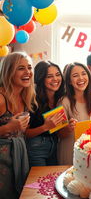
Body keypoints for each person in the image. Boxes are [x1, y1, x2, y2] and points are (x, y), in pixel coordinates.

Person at [0, 52, 37, 198]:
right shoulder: (1, 98)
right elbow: (12, 129)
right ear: (9, 72)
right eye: (21, 68)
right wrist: (8, 127)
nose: (28, 72)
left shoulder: (26, 97)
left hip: (19, 154)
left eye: (29, 67)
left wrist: (47, 126)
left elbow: (24, 132)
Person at [58, 62, 91, 165]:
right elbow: (59, 134)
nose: (81, 78)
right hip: (70, 152)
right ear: (69, 81)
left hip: (90, 151)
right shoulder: (63, 101)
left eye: (83, 74)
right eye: (75, 76)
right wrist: (68, 128)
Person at [25, 61, 65, 167]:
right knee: (39, 182)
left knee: (52, 180)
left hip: (56, 145)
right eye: (49, 76)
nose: (55, 79)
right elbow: (24, 133)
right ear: (41, 78)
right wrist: (45, 127)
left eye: (57, 75)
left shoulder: (61, 98)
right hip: (36, 147)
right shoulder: (33, 100)